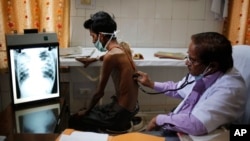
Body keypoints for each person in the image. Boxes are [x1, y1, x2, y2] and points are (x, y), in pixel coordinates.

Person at [135, 32, 246, 138]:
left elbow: (197, 125)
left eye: (192, 60)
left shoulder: (230, 88)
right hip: (182, 123)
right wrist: (151, 84)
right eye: (188, 57)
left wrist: (159, 119)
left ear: (212, 65)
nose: (187, 62)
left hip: (198, 135)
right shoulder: (204, 72)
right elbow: (178, 88)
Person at [68, 11, 139, 133]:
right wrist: (94, 59)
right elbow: (110, 56)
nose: (92, 41)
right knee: (88, 110)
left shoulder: (110, 56)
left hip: (120, 115)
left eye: (93, 36)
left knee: (75, 118)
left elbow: (99, 93)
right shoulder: (123, 48)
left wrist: (86, 112)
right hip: (132, 108)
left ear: (101, 36)